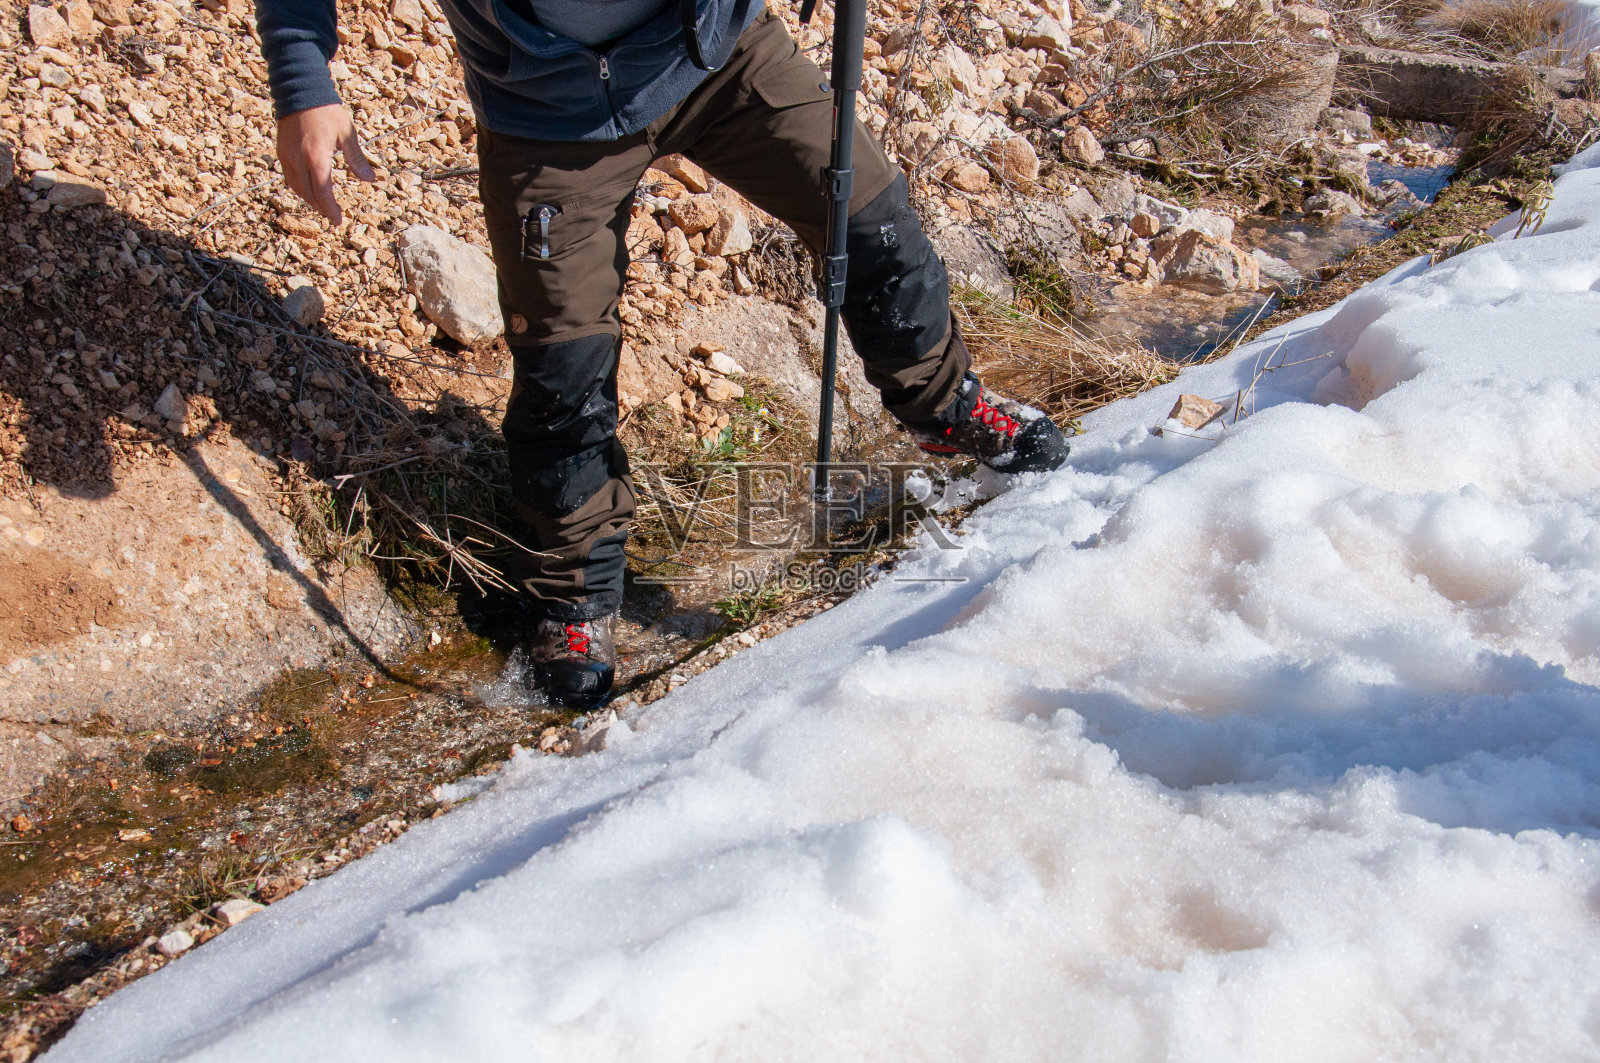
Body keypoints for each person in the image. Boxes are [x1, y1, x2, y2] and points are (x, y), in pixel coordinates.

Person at [258, 0, 1071, 709]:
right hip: (547, 107)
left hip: (715, 50)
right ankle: (575, 590)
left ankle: (944, 403)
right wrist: (303, 73)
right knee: (562, 365)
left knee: (871, 218)